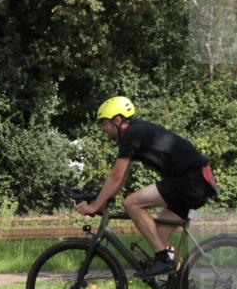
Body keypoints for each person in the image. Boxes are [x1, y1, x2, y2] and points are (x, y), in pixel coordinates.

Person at [76, 96, 219, 279]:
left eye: (104, 123)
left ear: (117, 121)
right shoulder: (136, 132)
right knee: (157, 237)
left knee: (132, 203)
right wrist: (104, 200)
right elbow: (121, 178)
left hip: (191, 180)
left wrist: (94, 206)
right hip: (194, 181)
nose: (102, 128)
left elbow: (115, 176)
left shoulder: (131, 134)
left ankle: (163, 261)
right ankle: (182, 288)